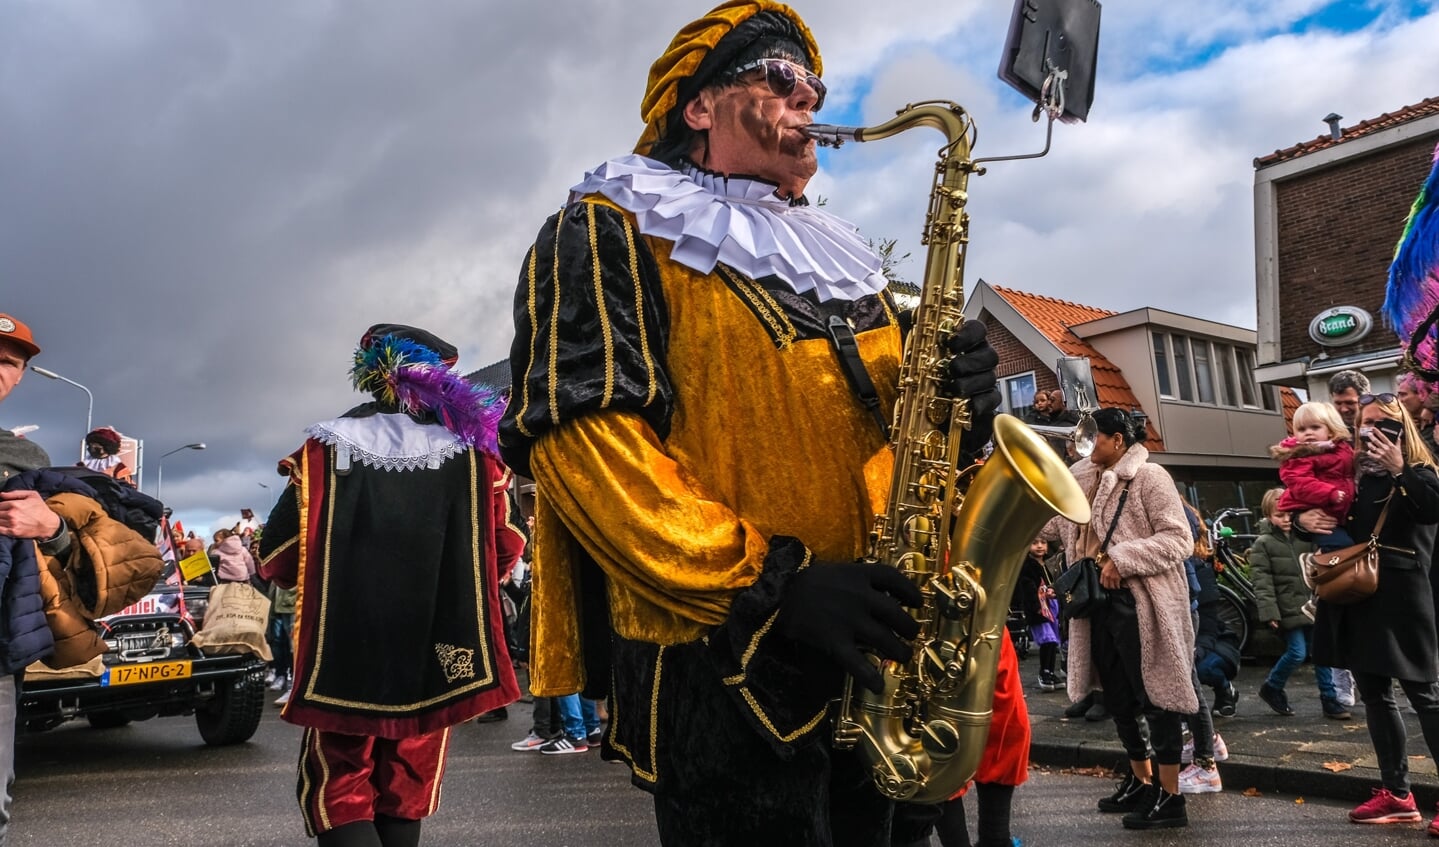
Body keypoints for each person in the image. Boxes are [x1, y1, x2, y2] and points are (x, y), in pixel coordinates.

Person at [497, 3, 1001, 842]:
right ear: (697, 105)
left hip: (876, 663)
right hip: (727, 665)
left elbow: (900, 444)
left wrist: (965, 413)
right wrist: (773, 586)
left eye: (817, 86)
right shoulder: (607, 228)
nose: (809, 97)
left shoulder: (839, 257)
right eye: (781, 79)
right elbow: (585, 448)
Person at [258, 324, 524, 847]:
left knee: (341, 779)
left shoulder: (322, 447)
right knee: (408, 772)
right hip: (437, 636)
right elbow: (506, 545)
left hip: (347, 636)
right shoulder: (476, 456)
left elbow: (280, 555)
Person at [1042, 407, 1196, 830]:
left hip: (1140, 602)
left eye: (1097, 436)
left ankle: (1170, 797)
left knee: (1157, 698)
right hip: (1098, 605)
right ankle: (1141, 780)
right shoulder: (1084, 478)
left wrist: (1123, 560)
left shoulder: (1151, 477)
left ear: (1119, 441)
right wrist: (1040, 541)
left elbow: (1179, 539)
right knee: (1120, 700)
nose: (1087, 444)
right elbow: (1062, 527)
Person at [1297, 393, 1439, 830]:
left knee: (1426, 698)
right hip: (1357, 594)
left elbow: (1431, 509)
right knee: (1375, 696)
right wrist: (1304, 520)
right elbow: (1329, 521)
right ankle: (1397, 794)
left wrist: (1400, 467)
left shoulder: (1421, 469)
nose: (1372, 431)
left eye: (1384, 423)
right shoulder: (1350, 473)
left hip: (1403, 596)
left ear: (1403, 428)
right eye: (1365, 423)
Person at [0, 312, 63, 844]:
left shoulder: (27, 459)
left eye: (8, 362)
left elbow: (78, 558)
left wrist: (53, 527)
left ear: (19, 376)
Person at [1248, 487, 1344, 718]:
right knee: (1297, 652)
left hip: (1312, 604)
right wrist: (1270, 612)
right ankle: (1273, 686)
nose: (1285, 519)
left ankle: (1329, 698)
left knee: (1321, 653)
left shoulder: (1307, 538)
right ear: (1269, 516)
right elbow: (1262, 581)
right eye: (1279, 515)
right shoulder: (1264, 543)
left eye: (1288, 513)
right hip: (1288, 608)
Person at [1271, 401, 1355, 551]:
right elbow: (1300, 483)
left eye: (1315, 427)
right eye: (1302, 429)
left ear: (1330, 430)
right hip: (1322, 510)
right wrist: (1329, 493)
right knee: (1341, 546)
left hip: (1341, 513)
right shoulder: (1298, 456)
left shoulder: (1342, 449)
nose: (1308, 433)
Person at [1017, 538, 1061, 691]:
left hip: (1051, 608)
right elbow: (1028, 588)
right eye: (1034, 543)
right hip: (1038, 609)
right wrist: (1036, 606)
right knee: (1047, 640)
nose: (1040, 546)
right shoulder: (1028, 566)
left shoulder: (1049, 563)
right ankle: (1044, 672)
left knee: (1053, 641)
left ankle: (1051, 671)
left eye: (1043, 542)